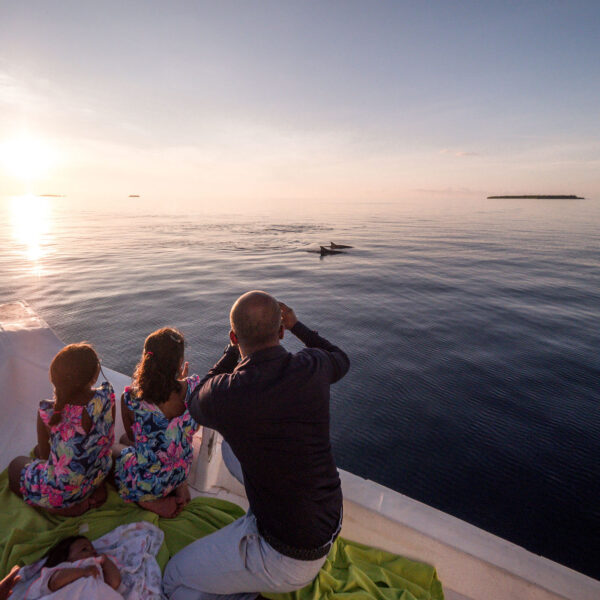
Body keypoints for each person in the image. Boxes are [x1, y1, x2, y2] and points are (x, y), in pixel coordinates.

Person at [163, 291, 350, 600]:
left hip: (287, 557)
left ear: (235, 337)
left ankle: (248, 588)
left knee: (174, 580)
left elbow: (196, 399)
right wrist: (298, 326)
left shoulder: (227, 393)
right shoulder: (312, 365)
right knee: (228, 451)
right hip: (328, 520)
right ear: (280, 331)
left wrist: (230, 353)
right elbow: (340, 358)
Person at [8, 343, 115, 516]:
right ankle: (90, 490)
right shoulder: (106, 397)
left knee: (16, 465)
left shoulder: (47, 411)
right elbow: (108, 438)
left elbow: (45, 456)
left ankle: (60, 507)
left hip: (66, 492)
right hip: (99, 473)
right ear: (94, 376)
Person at [114, 327, 202, 518]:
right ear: (180, 363)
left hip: (150, 483)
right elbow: (196, 426)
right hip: (180, 468)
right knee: (167, 442)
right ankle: (180, 484)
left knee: (116, 447)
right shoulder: (194, 387)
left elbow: (133, 437)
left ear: (147, 359)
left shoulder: (130, 398)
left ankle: (149, 501)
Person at [42, 535, 121, 593]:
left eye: (94, 550)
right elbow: (55, 583)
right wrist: (84, 571)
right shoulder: (66, 567)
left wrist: (105, 560)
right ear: (66, 558)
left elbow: (114, 582)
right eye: (84, 549)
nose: (93, 552)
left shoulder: (97, 569)